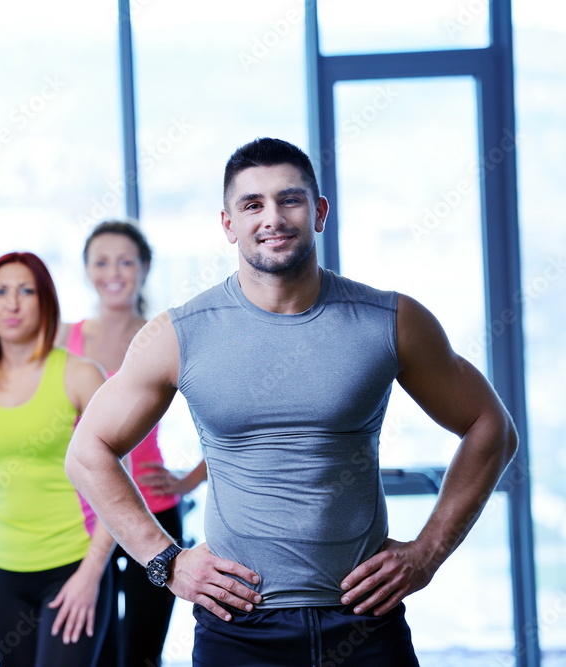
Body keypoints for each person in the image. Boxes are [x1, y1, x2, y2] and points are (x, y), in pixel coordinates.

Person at [65, 137, 519, 665]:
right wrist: (166, 560)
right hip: (238, 625)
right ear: (228, 224)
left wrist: (428, 552)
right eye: (252, 205)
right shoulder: (179, 333)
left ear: (319, 211)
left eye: (290, 199)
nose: (272, 218)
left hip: (363, 618)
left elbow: (491, 426)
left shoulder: (389, 320)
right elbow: (87, 451)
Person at [0, 251, 114, 667]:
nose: (12, 302)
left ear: (45, 302)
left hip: (72, 565)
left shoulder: (80, 374)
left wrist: (91, 574)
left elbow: (119, 483)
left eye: (25, 290)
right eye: (0, 291)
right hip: (2, 572)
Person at [58, 220, 206, 667]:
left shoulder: (165, 336)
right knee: (96, 653)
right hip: (85, 515)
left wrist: (186, 482)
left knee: (143, 654)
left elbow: (225, 421)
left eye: (126, 261)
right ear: (86, 271)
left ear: (144, 268)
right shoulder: (66, 338)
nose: (114, 272)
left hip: (154, 513)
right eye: (101, 262)